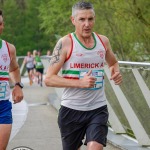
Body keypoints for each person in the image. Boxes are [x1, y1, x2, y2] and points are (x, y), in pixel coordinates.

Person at [44, 1, 122, 150]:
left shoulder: (103, 41)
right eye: (82, 19)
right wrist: (80, 83)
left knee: (95, 147)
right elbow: (49, 79)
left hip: (98, 108)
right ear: (73, 20)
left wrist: (115, 71)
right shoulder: (65, 43)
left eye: (90, 19)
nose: (87, 24)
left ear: (94, 19)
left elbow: (113, 62)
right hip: (71, 110)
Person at [0, 9, 24, 150]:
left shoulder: (9, 48)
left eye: (0, 23)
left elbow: (14, 69)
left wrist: (18, 85)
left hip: (3, 106)